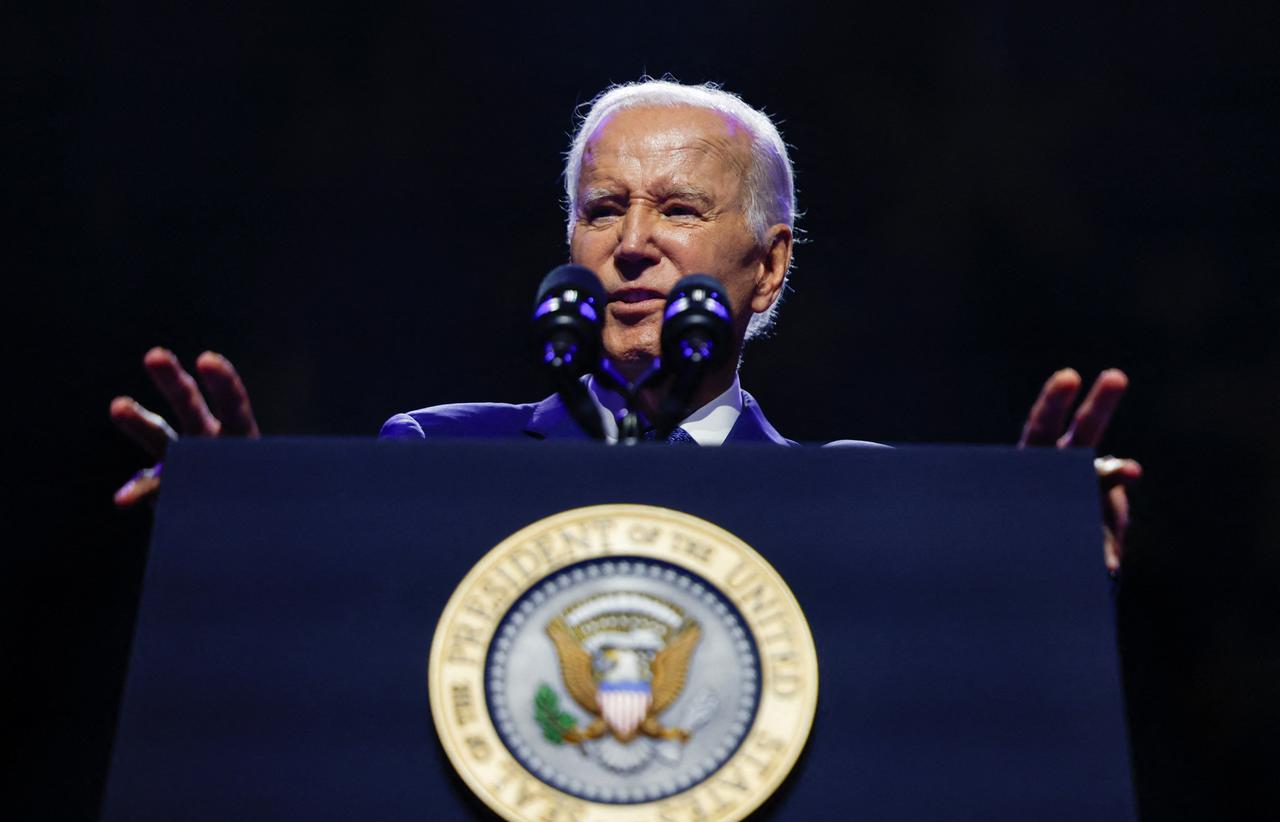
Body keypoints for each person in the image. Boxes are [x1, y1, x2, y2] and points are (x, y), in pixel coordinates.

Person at [109, 79, 1141, 572]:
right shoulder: (435, 455)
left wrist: (1032, 575)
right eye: (604, 210)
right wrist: (240, 535)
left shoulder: (850, 498)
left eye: (679, 210)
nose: (632, 244)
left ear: (768, 267)